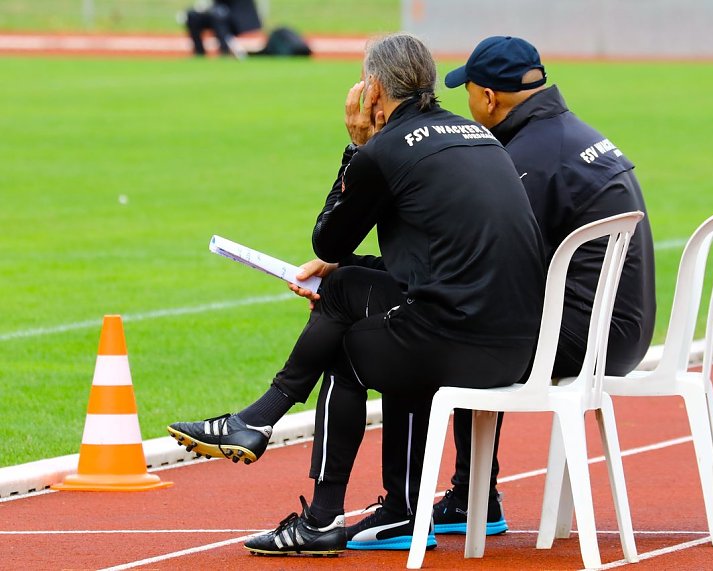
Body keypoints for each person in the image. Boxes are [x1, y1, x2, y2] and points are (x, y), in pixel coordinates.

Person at [167, 33, 546, 556]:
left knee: (349, 341)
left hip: (457, 343)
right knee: (351, 291)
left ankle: (312, 507)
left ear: (371, 90)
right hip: (520, 346)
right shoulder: (480, 137)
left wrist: (357, 146)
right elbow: (433, 261)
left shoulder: (385, 149)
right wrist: (347, 267)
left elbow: (328, 240)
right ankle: (393, 506)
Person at [432, 36, 657, 536]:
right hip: (625, 329)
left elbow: (490, 262)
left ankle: (471, 497)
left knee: (452, 333)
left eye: (468, 91)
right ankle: (474, 494)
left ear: (489, 97)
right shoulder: (569, 134)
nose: (466, 104)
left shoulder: (529, 157)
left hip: (593, 339)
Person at [183, 0, 261, 58]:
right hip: (216, 14)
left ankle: (224, 52)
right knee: (192, 16)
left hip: (236, 18)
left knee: (218, 16)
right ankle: (199, 53)